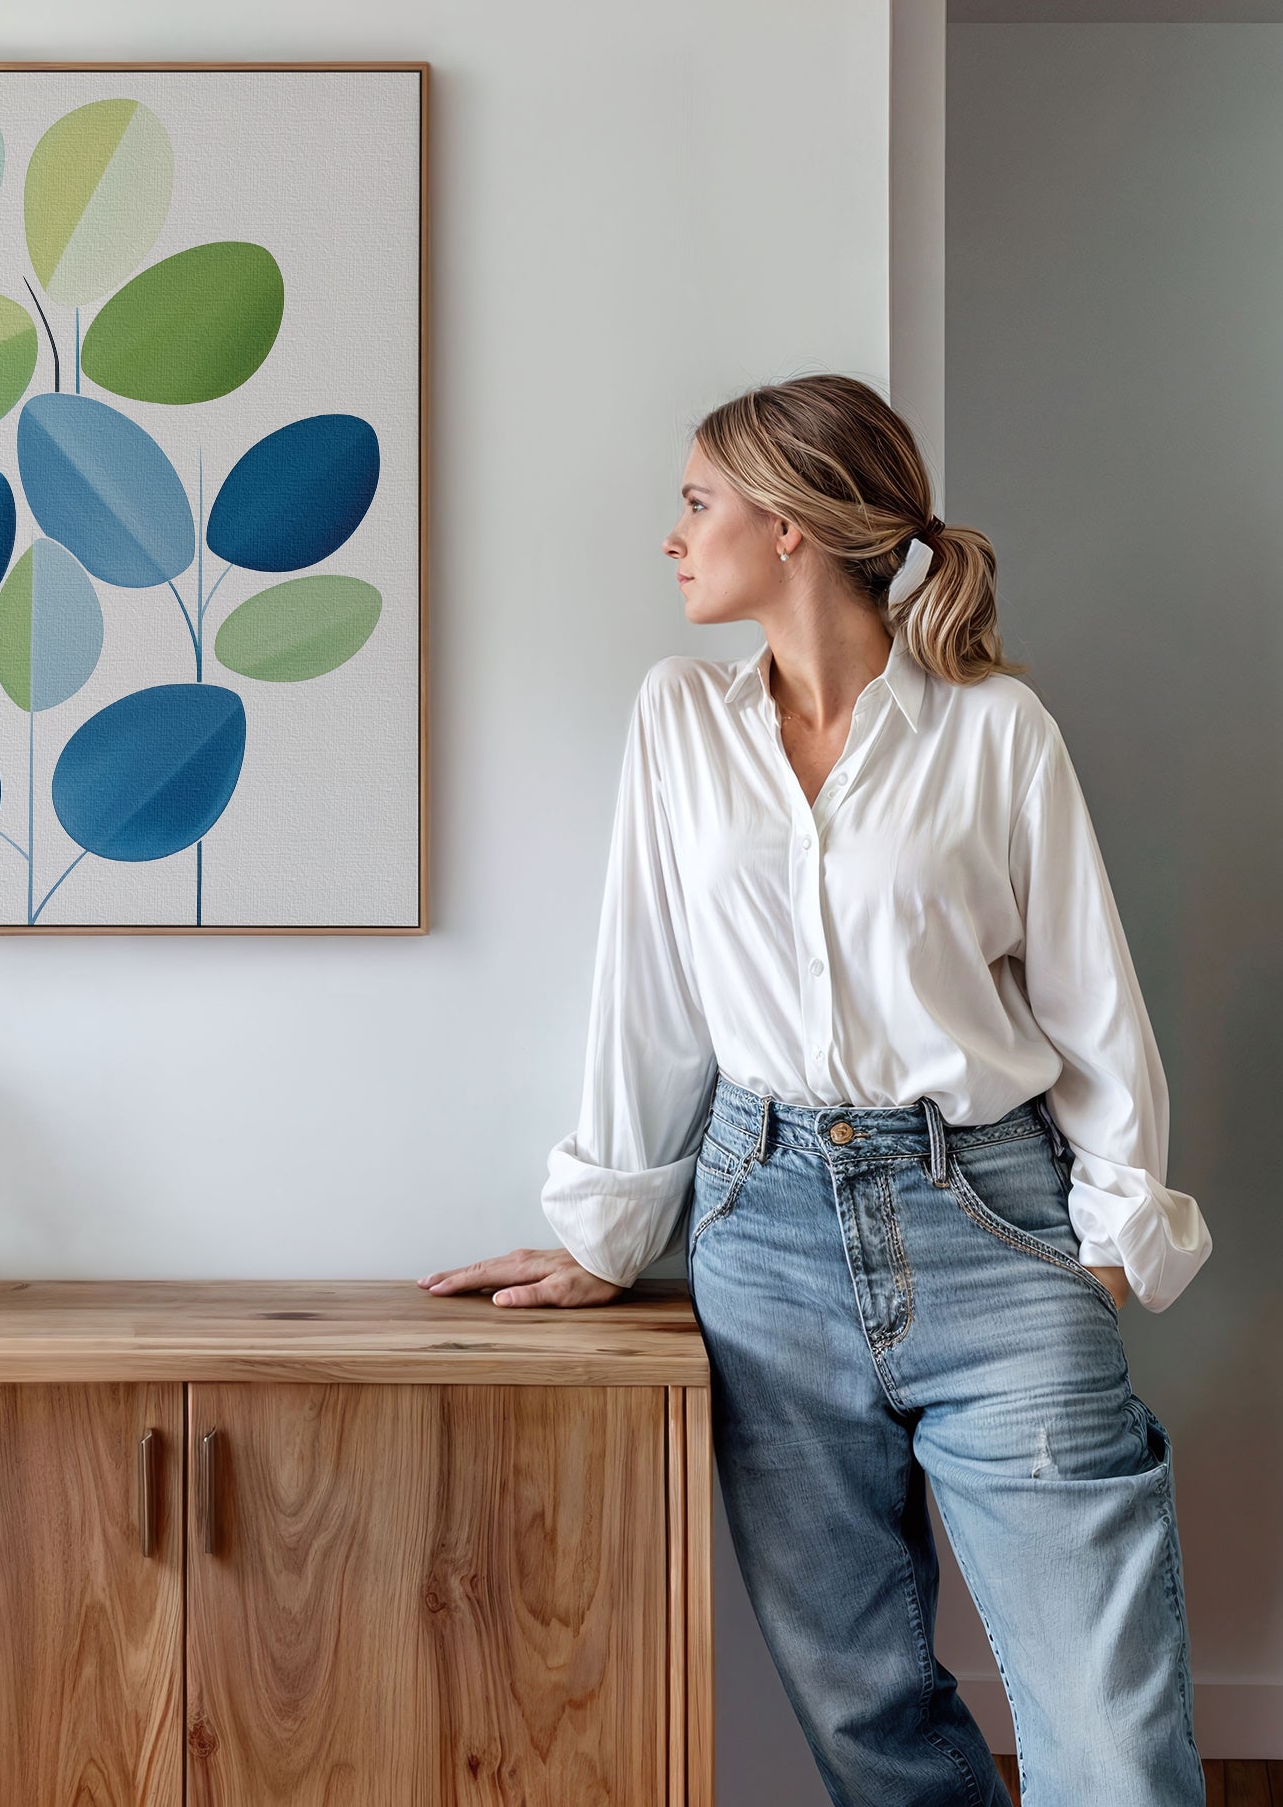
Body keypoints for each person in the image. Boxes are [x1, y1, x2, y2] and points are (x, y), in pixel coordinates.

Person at [419, 375, 1212, 1806]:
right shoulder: (679, 723)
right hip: (762, 1231)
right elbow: (646, 990)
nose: (673, 536)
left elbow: (1093, 1001)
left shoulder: (994, 731)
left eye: (696, 501)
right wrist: (610, 1232)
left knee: (1109, 1734)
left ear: (789, 528)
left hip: (994, 1219)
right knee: (867, 1719)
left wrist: (1108, 1237)